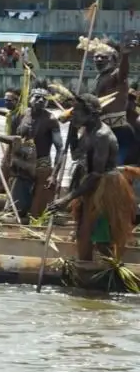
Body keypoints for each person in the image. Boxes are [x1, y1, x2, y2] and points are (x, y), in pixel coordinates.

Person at [50, 93, 131, 264]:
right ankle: (86, 266)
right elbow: (75, 154)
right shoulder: (87, 130)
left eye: (77, 111)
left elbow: (96, 174)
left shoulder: (101, 135)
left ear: (92, 114)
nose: (73, 114)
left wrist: (67, 198)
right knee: (84, 230)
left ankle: (108, 270)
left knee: (101, 233)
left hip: (105, 187)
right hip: (90, 183)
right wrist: (72, 130)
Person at [0, 83, 62, 222]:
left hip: (42, 166)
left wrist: (54, 175)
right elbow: (16, 140)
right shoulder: (22, 115)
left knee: (39, 211)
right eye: (37, 97)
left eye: (44, 99)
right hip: (23, 166)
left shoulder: (51, 120)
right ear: (30, 98)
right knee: (16, 207)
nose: (40, 101)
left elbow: (59, 149)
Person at [83, 37, 134, 164]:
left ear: (114, 59)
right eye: (96, 56)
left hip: (118, 131)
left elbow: (124, 72)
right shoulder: (98, 78)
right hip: (99, 129)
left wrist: (126, 55)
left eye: (104, 57)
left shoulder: (116, 74)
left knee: (112, 169)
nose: (99, 59)